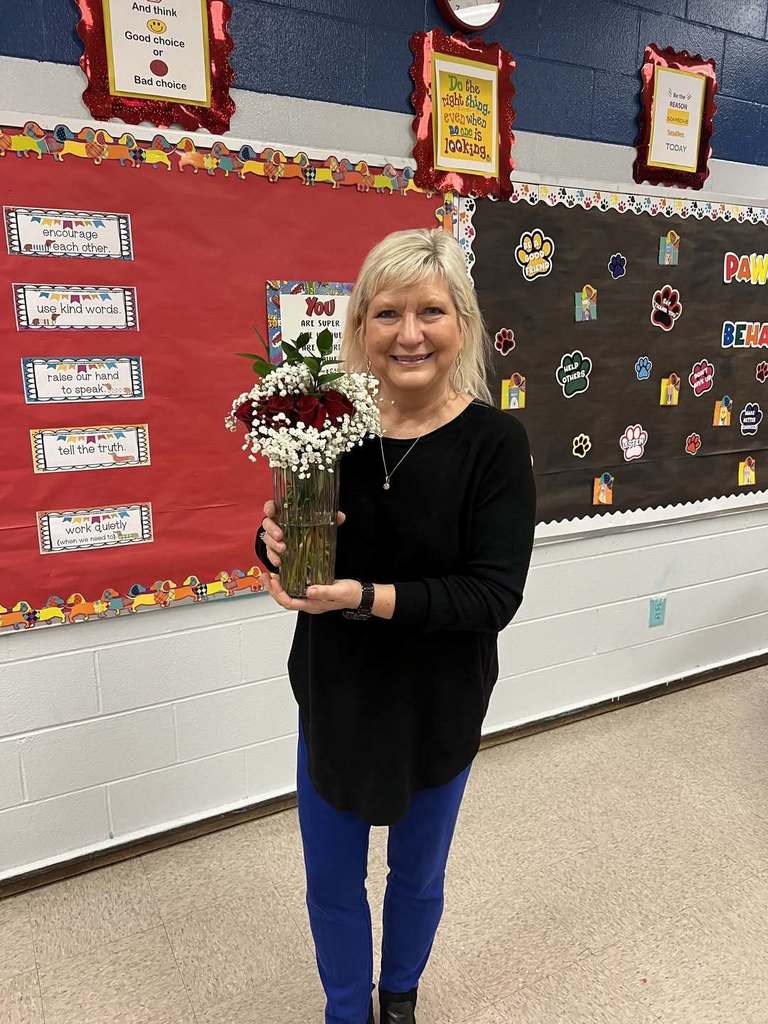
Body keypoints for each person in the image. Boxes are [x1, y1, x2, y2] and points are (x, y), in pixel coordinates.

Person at [256, 227, 536, 1024]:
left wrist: (362, 597)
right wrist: (270, 544)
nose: (408, 334)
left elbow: (491, 598)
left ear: (463, 325)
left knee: (416, 873)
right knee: (331, 877)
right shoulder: (324, 428)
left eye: (431, 312)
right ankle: (347, 1010)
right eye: (386, 314)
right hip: (335, 692)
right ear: (361, 327)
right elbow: (292, 537)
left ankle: (400, 998)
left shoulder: (494, 443)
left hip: (436, 701)